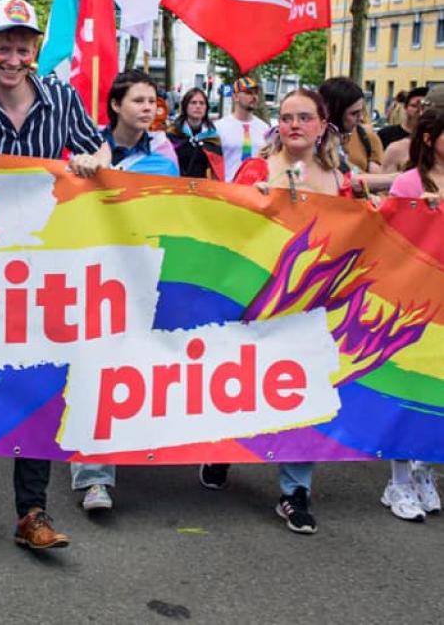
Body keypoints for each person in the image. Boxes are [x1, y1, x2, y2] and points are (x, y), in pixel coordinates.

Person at [0, 0, 108, 549]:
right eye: (2, 46)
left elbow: (96, 148)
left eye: (22, 46)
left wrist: (95, 159)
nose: (12, 57)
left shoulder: (61, 98)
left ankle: (32, 511)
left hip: (40, 273)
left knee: (37, 385)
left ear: (34, 51)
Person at [200, 89, 348, 536]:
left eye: (305, 117)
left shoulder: (339, 177)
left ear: (323, 124)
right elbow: (221, 220)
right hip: (258, 296)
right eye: (286, 117)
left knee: (302, 389)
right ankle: (224, 448)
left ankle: (295, 491)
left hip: (313, 301)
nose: (294, 125)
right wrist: (251, 199)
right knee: (243, 380)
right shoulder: (256, 168)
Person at [70, 71, 178, 513]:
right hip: (93, 275)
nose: (148, 108)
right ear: (116, 105)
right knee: (94, 366)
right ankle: (95, 477)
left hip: (142, 276)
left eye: (152, 100)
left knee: (126, 367)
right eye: (138, 100)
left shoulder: (165, 155)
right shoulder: (84, 145)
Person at [379, 108, 443, 521]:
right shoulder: (409, 182)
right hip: (417, 302)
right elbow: (390, 238)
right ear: (429, 138)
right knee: (410, 391)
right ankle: (398, 480)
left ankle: (424, 470)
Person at [319, 76, 383, 174]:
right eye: (354, 113)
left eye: (361, 111)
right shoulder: (315, 143)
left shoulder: (363, 136)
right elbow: (350, 178)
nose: (361, 118)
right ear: (334, 113)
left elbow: (351, 171)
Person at [214, 77, 269, 181]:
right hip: (228, 189)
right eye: (248, 92)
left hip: (255, 189)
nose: (254, 97)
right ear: (235, 97)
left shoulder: (264, 129)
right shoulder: (219, 128)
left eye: (256, 93)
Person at [167, 87, 224, 179]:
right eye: (193, 103)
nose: (198, 106)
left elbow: (217, 170)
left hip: (203, 188)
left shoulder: (212, 137)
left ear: (206, 108)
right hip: (176, 186)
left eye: (202, 103)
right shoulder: (173, 133)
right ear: (185, 106)